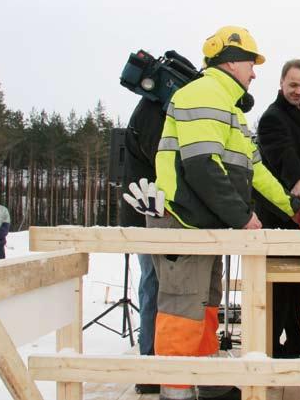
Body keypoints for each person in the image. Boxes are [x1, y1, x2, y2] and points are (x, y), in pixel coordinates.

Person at [152, 26, 300, 400]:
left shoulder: (230, 108)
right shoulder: (203, 94)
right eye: (252, 64)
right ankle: (177, 391)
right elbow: (202, 166)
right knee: (182, 305)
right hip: (182, 220)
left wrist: (292, 208)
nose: (254, 72)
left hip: (204, 222)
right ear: (232, 62)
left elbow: (256, 171)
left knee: (205, 302)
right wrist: (241, 216)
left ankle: (208, 380)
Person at [254, 59, 300, 358]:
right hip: (276, 212)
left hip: (295, 212)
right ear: (281, 82)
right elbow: (284, 154)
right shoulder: (273, 117)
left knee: (294, 282)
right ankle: (270, 345)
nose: (298, 91)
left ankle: (295, 338)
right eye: (293, 85)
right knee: (278, 285)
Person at [121, 96, 166, 395]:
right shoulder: (152, 113)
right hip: (148, 217)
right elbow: (163, 162)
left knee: (160, 287)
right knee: (153, 285)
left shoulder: (153, 110)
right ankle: (150, 362)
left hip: (156, 215)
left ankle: (160, 358)